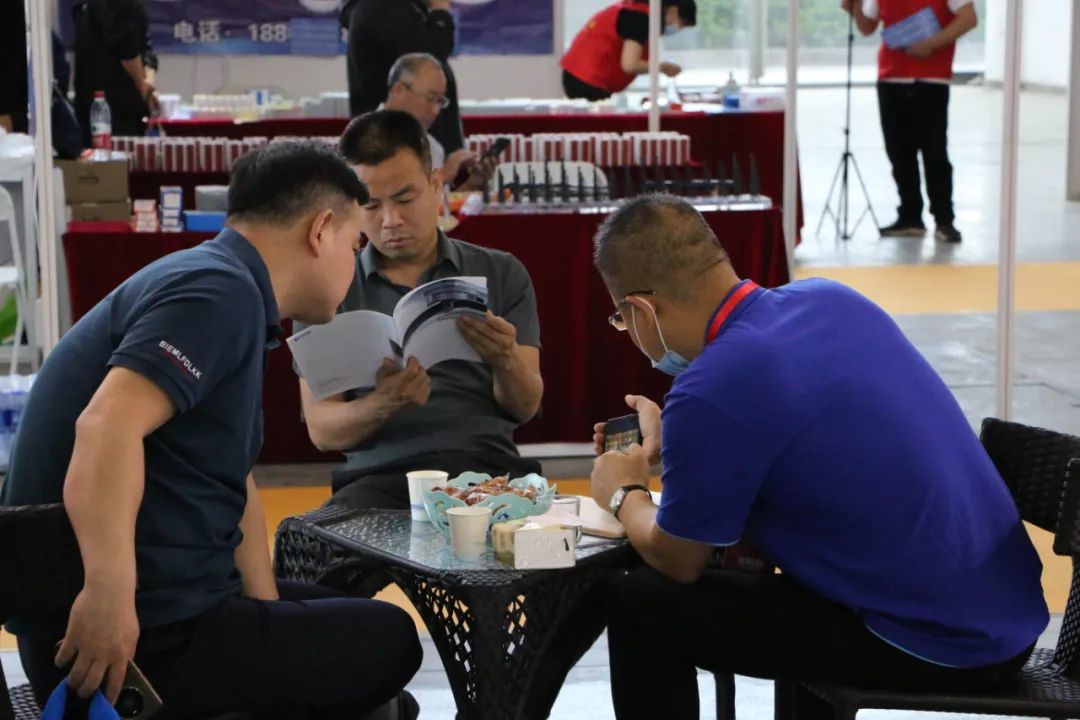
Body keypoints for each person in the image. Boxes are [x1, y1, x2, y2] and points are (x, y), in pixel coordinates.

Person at [0, 141, 422, 719]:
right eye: (355, 245)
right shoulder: (217, 293)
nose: (354, 268)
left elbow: (232, 477)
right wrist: (107, 598)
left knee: (364, 661)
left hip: (170, 602)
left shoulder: (222, 283)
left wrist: (270, 614)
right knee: (392, 640)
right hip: (126, 638)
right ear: (321, 229)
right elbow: (106, 425)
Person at [588, 195, 1048, 719]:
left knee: (638, 602)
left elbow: (679, 558)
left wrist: (623, 491)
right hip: (1007, 613)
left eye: (621, 319)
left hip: (938, 640)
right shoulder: (831, 299)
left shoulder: (711, 388)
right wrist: (678, 438)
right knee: (791, 591)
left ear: (641, 309)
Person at [297, 110, 544, 511]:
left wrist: (505, 358)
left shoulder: (499, 271)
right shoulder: (327, 288)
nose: (391, 220)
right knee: (306, 543)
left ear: (434, 186)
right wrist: (385, 402)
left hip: (486, 472)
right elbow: (322, 430)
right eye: (371, 205)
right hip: (378, 479)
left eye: (405, 199)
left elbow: (525, 407)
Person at [844, 0, 977, 244]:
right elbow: (867, 27)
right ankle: (910, 216)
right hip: (891, 77)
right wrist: (854, 9)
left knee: (934, 152)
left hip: (931, 79)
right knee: (899, 152)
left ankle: (944, 220)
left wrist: (931, 43)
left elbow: (969, 18)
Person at [340, 0, 465, 156]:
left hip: (406, 141)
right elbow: (430, 57)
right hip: (394, 146)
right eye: (432, 98)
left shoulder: (403, 9)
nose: (436, 108)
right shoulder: (384, 8)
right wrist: (440, 11)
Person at [384, 53, 494, 191]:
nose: (435, 111)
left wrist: (472, 185)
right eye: (430, 98)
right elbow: (385, 198)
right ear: (399, 91)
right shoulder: (365, 138)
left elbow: (438, 202)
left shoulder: (433, 147)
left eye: (440, 101)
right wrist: (442, 176)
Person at [561, 0, 696, 102]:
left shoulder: (631, 8)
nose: (679, 28)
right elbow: (630, 65)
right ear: (673, 10)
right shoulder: (639, 17)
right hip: (587, 80)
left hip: (579, 74)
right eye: (682, 23)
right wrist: (662, 67)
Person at [73, 0, 160, 144]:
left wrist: (149, 82)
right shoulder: (111, 6)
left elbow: (145, 47)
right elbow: (127, 50)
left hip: (124, 107)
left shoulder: (134, 9)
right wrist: (142, 84)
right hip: (109, 107)